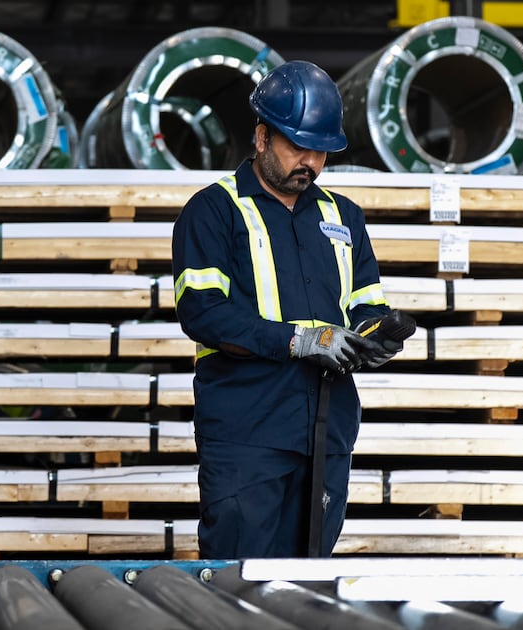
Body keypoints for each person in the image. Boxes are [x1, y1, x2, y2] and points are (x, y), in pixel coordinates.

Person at [171, 60, 401, 559]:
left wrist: (375, 336)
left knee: (308, 588)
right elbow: (202, 311)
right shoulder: (214, 211)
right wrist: (300, 340)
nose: (311, 163)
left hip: (328, 429)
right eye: (298, 146)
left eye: (320, 151)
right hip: (247, 436)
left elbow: (367, 303)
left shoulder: (344, 217)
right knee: (239, 579)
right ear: (260, 137)